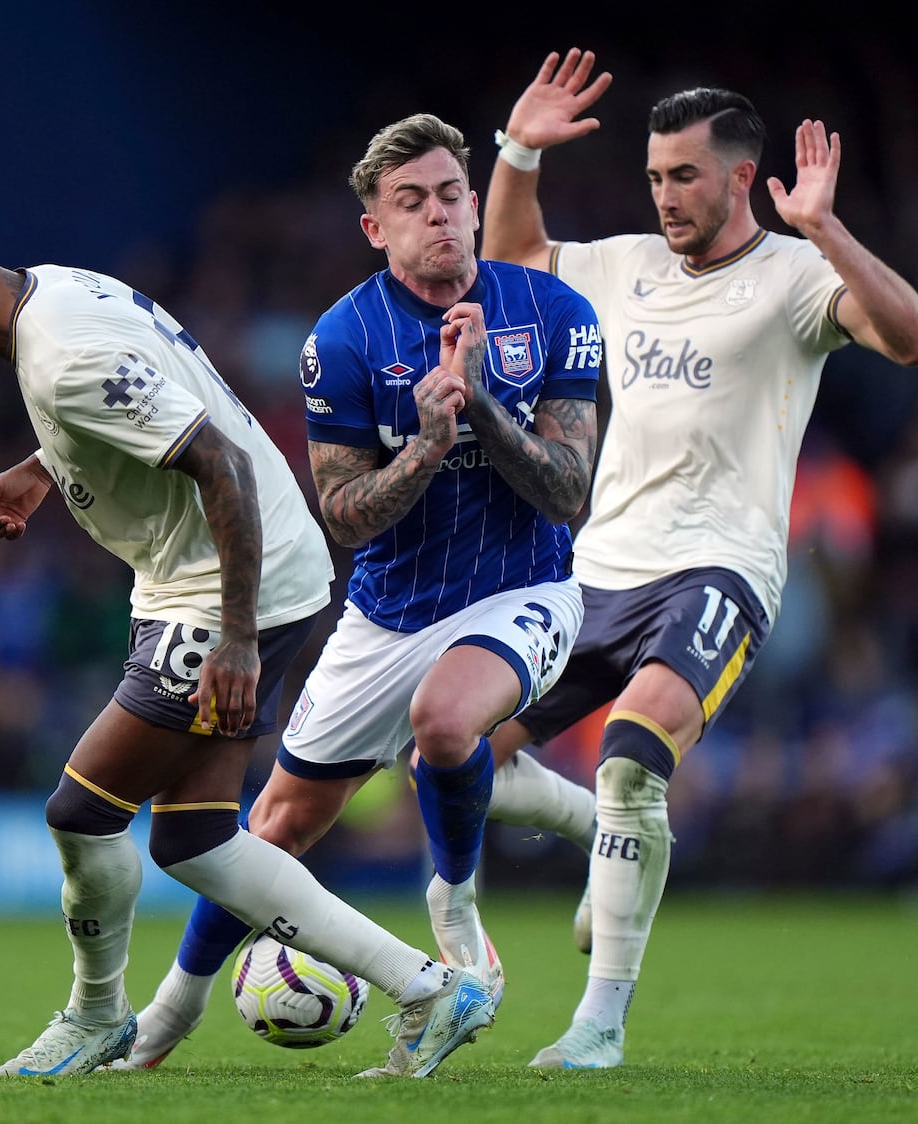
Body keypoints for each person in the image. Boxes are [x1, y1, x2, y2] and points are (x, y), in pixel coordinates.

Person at [0, 210, 498, 1079]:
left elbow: (218, 463)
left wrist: (234, 636)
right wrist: (44, 466)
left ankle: (96, 1015)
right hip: (248, 570)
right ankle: (430, 989)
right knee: (193, 841)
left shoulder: (61, 357)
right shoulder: (58, 285)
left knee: (82, 813)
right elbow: (153, 393)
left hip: (226, 587)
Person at [478, 49, 918, 1068]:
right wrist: (516, 150)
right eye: (654, 176)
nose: (664, 194)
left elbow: (914, 338)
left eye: (683, 175)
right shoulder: (624, 264)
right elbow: (512, 261)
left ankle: (598, 1024)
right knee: (457, 748)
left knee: (635, 751)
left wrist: (823, 226)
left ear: (741, 177)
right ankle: (610, 853)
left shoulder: (794, 277)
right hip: (595, 567)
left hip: (717, 569)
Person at [115, 112, 601, 1070]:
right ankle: (166, 1017)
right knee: (275, 829)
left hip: (525, 588)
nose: (441, 218)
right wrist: (426, 441)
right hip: (386, 612)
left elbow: (568, 489)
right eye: (411, 203)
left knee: (447, 721)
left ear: (473, 200)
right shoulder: (339, 340)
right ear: (375, 227)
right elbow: (342, 516)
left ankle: (454, 912)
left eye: (452, 195)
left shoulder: (552, 313)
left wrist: (484, 408)